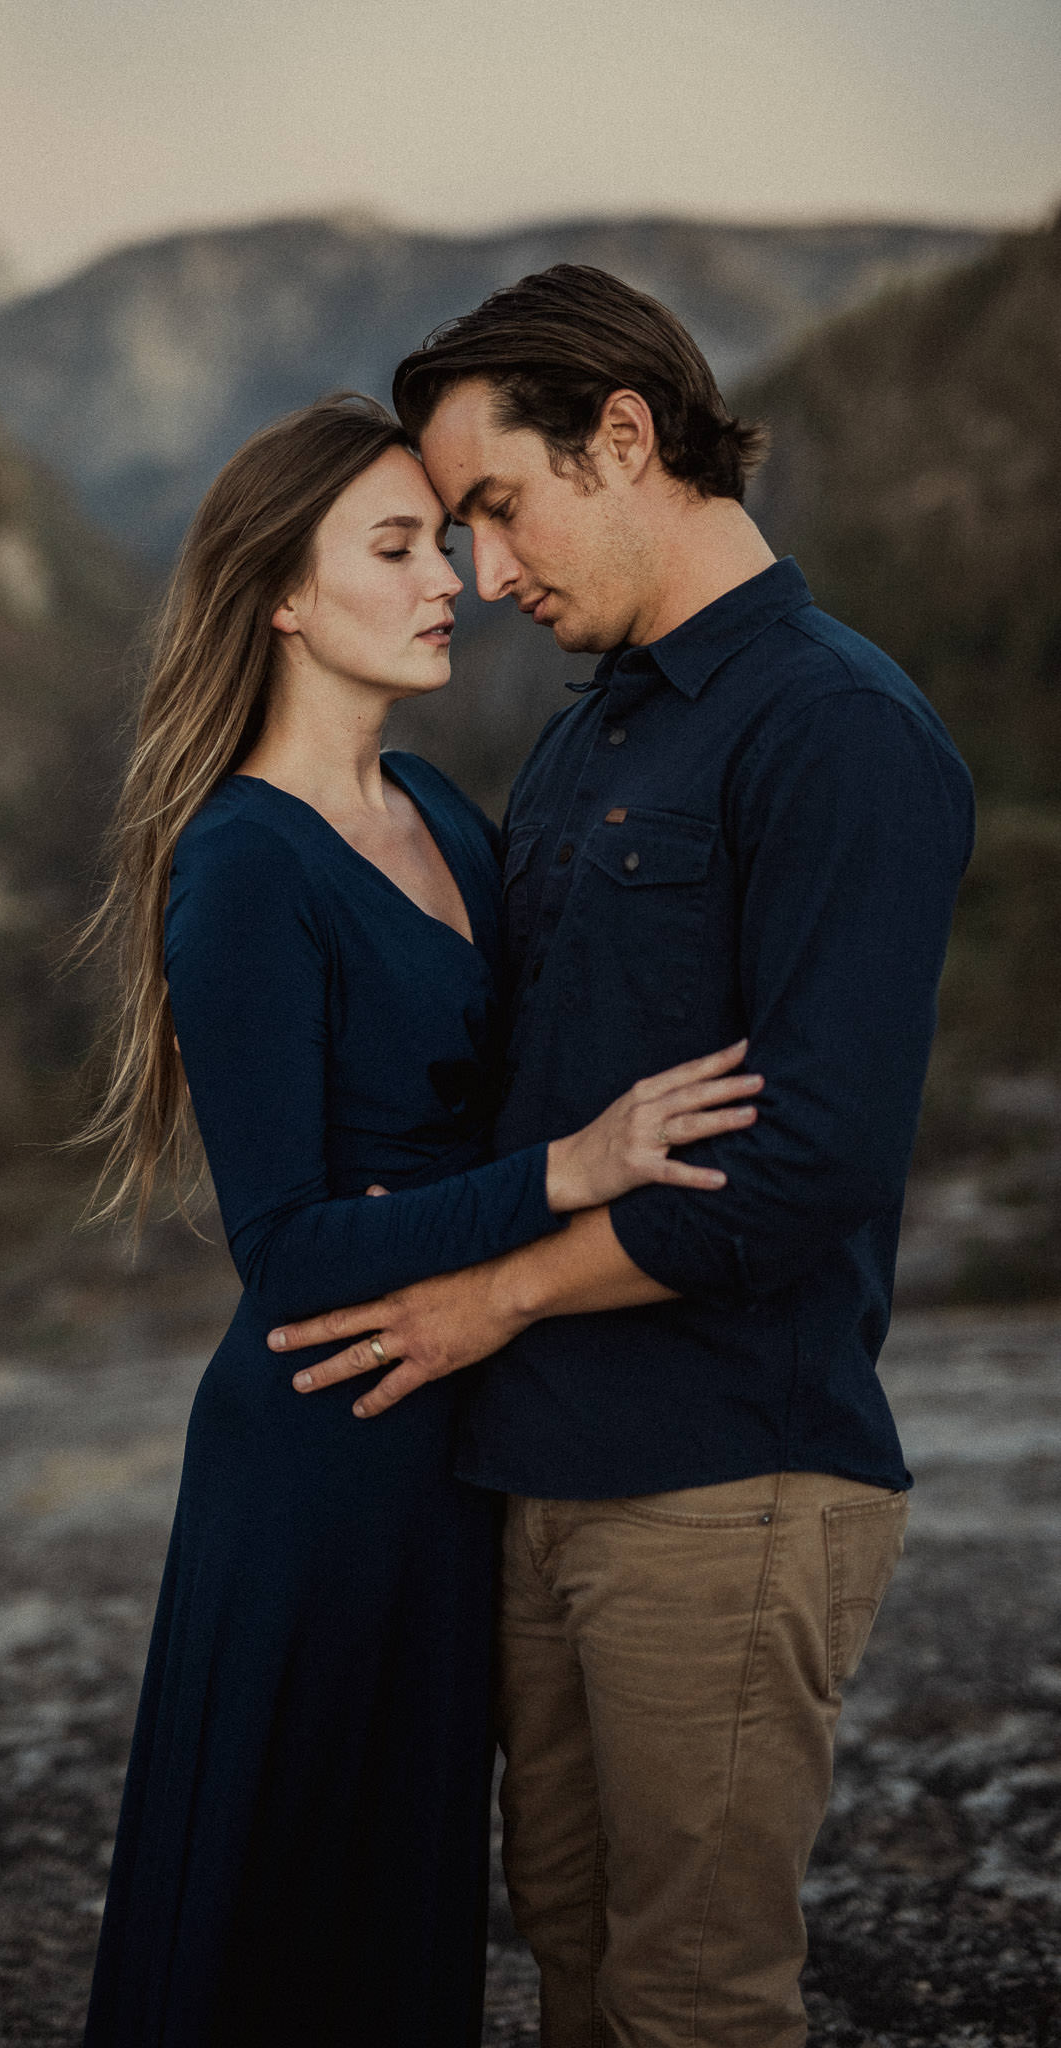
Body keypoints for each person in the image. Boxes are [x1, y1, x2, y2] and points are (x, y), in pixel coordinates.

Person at [267, 271, 976, 2047]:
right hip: (545, 1470)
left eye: (497, 506)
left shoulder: (840, 729)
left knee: (692, 1997)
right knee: (575, 1965)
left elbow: (801, 1166)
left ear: (628, 437)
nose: (485, 575)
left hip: (727, 1480)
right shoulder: (593, 731)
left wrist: (483, 1298)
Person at [79, 392, 763, 2048]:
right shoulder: (242, 863)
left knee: (404, 1908)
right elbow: (294, 1247)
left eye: (446, 536)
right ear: (286, 601)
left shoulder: (447, 811)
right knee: (285, 1907)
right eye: (397, 547)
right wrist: (567, 1174)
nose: (452, 573)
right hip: (316, 1453)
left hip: (453, 1432)